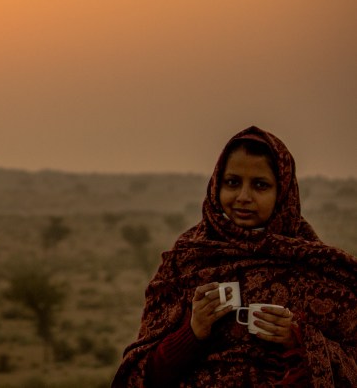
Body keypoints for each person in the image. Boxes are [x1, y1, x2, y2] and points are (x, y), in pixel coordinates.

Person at [112, 126, 357, 387]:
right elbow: (142, 376)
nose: (243, 197)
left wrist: (299, 339)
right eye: (232, 182)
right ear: (216, 185)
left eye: (260, 186)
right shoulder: (188, 259)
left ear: (283, 192)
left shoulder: (317, 266)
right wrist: (192, 333)